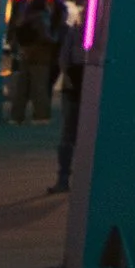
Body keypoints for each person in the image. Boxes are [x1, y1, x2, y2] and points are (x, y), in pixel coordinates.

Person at [49, 32, 84, 191]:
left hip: (73, 83)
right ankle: (67, 177)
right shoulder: (75, 32)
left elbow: (64, 57)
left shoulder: (75, 32)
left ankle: (64, 177)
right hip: (76, 83)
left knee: (68, 133)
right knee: (70, 133)